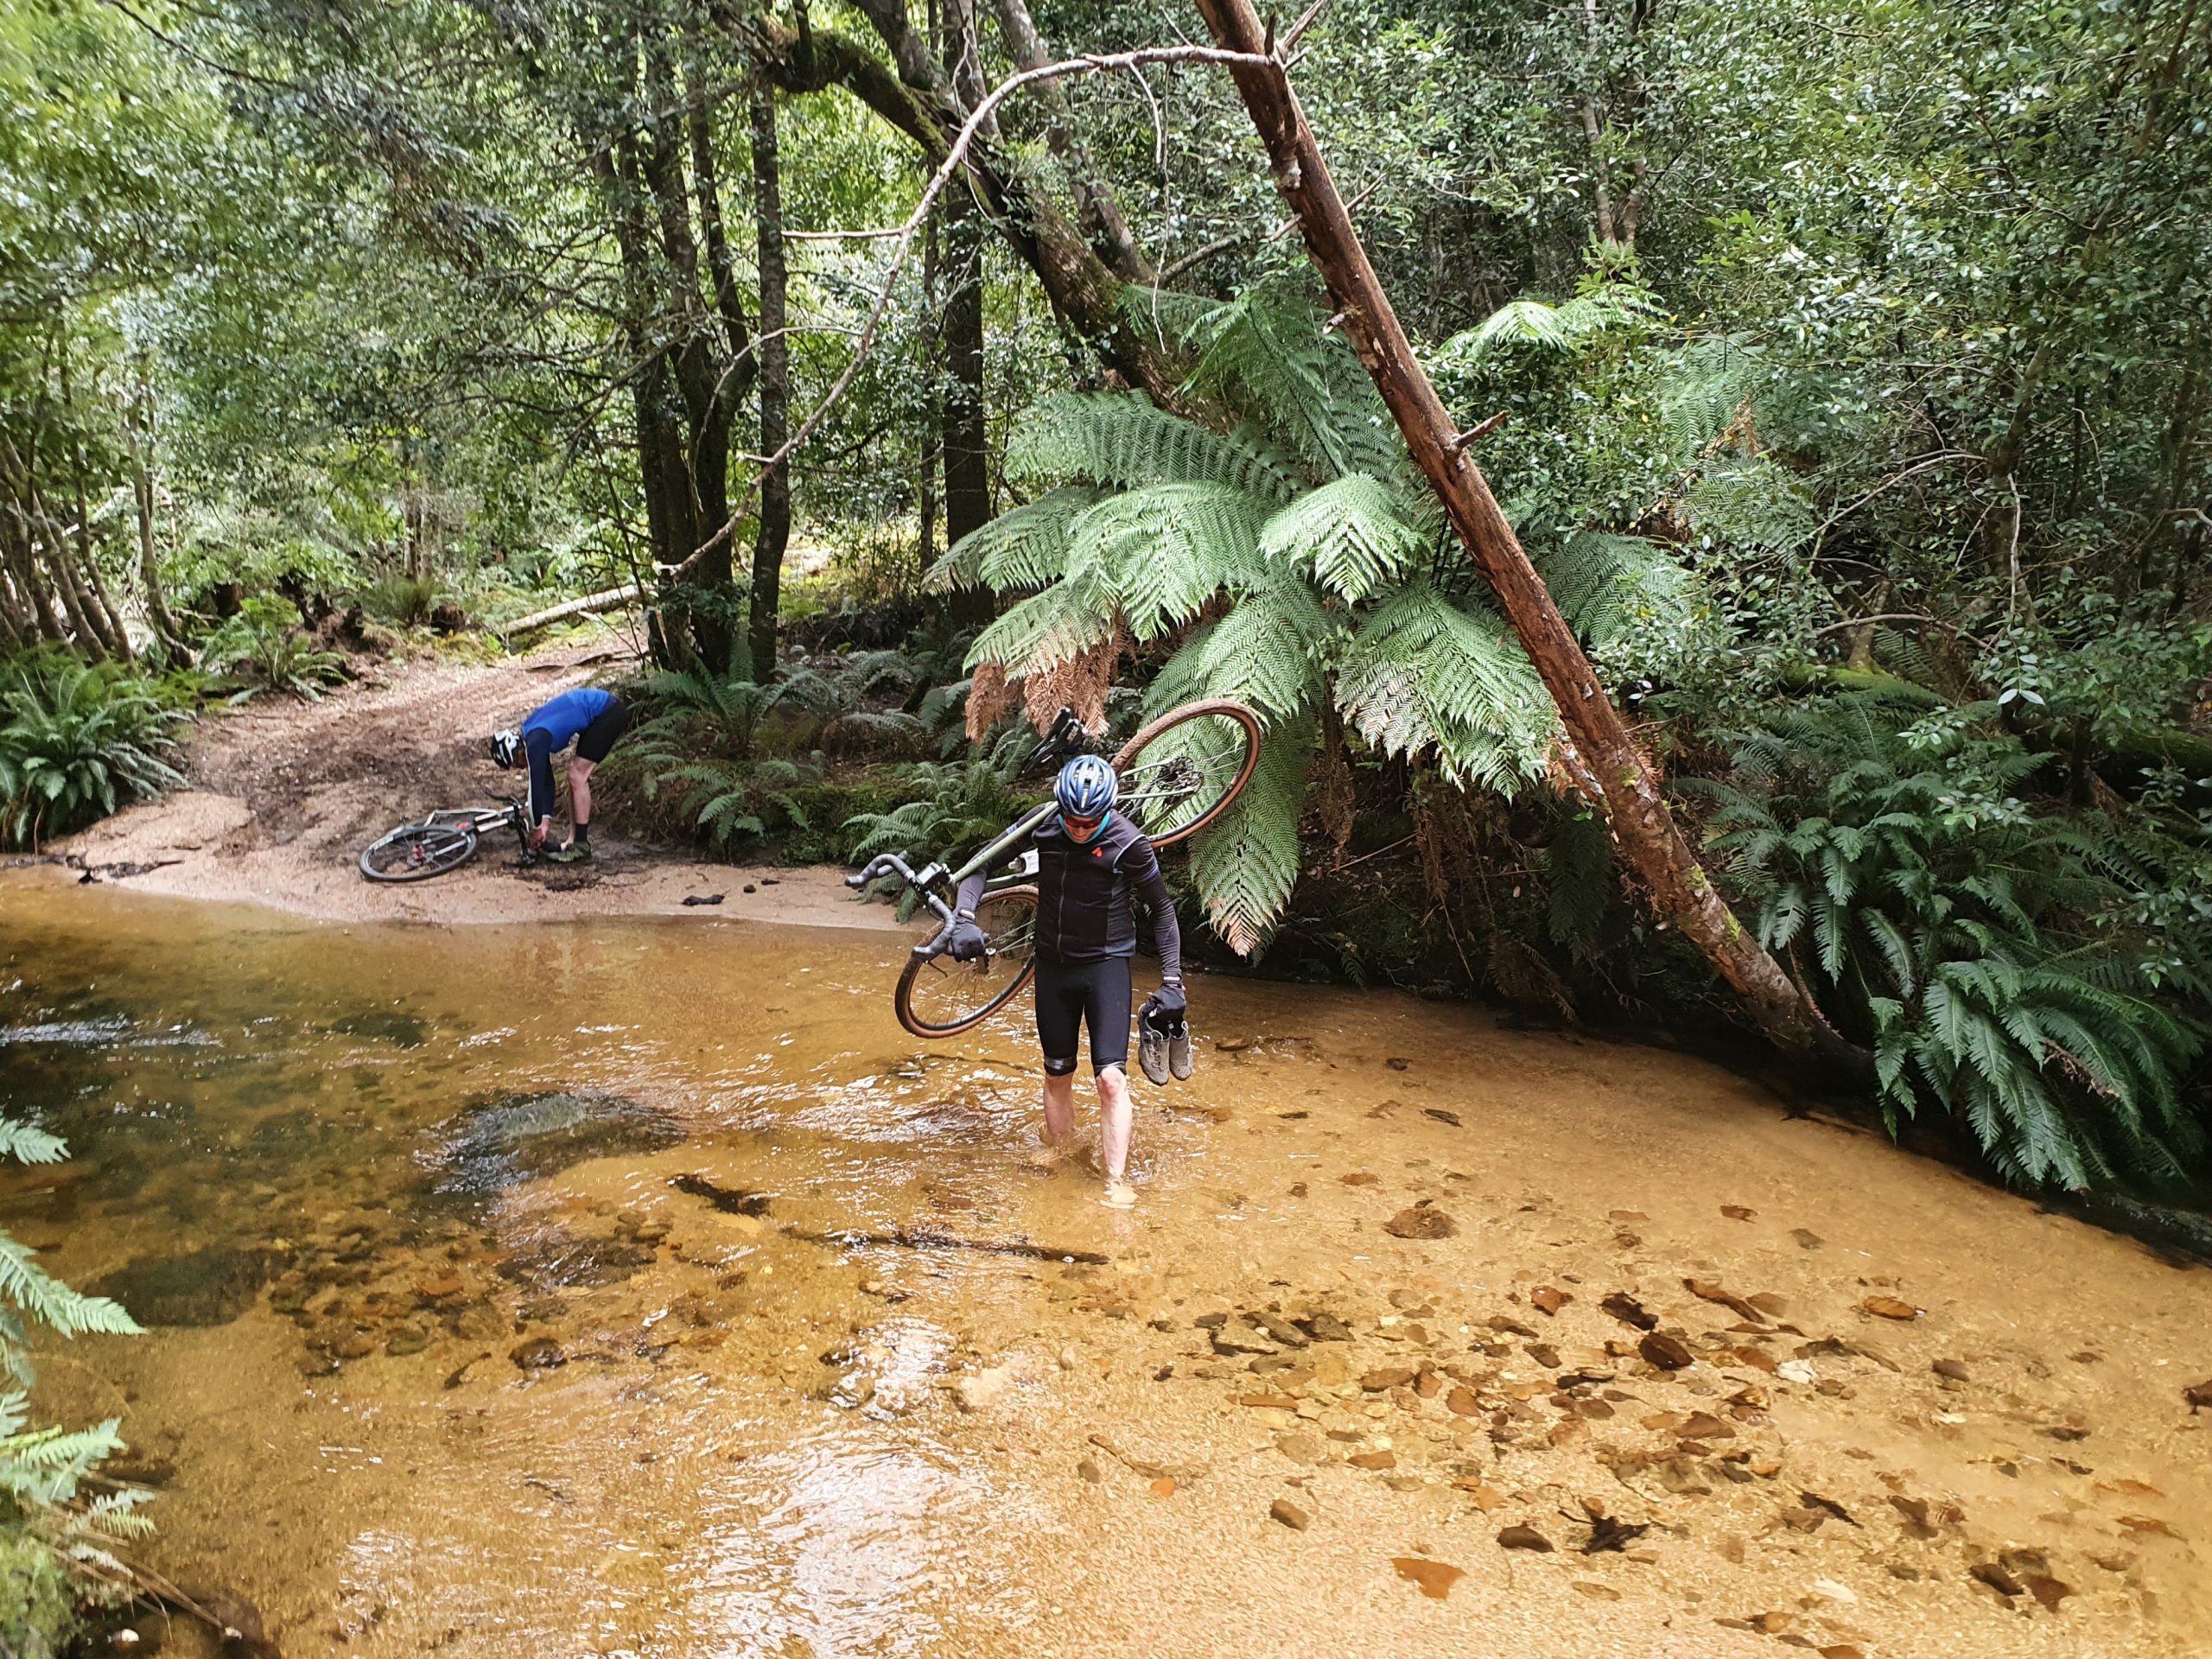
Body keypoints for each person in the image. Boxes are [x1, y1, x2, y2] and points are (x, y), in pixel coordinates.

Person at [944, 753, 1192, 1208]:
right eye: (1072, 820)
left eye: (1088, 822)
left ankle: (1115, 1181)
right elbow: (978, 865)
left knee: (1111, 1081)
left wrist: (1173, 981)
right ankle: (1060, 1153)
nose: (1078, 829)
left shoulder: (1127, 843)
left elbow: (1163, 910)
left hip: (1105, 966)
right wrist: (963, 918)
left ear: (1107, 811)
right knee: (1058, 1071)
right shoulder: (1042, 826)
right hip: (1053, 966)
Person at [489, 686, 628, 863]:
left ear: (517, 751)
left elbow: (536, 789)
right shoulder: (532, 735)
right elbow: (547, 783)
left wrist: (537, 828)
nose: (520, 768)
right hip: (598, 714)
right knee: (575, 777)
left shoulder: (535, 741)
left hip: (608, 712)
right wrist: (544, 822)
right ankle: (573, 841)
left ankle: (581, 846)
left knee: (577, 776)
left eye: (516, 763)